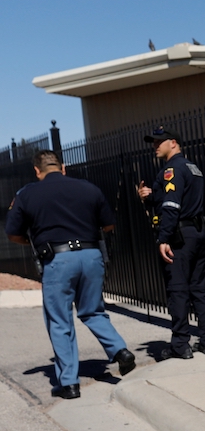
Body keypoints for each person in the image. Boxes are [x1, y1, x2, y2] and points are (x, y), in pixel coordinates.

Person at [5, 150, 136, 399]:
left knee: (60, 321)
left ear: (37, 170)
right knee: (93, 311)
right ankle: (120, 351)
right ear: (63, 167)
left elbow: (13, 234)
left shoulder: (27, 194)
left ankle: (70, 384)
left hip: (57, 259)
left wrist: (37, 245)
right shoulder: (88, 188)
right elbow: (108, 225)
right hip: (91, 256)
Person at [137, 127, 205, 360]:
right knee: (199, 289)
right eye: (153, 142)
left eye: (159, 142)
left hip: (179, 236)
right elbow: (177, 197)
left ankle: (180, 345)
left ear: (173, 142)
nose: (155, 146)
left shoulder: (171, 170)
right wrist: (151, 196)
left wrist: (164, 238)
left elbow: (172, 206)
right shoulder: (193, 167)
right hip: (198, 232)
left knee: (178, 290)